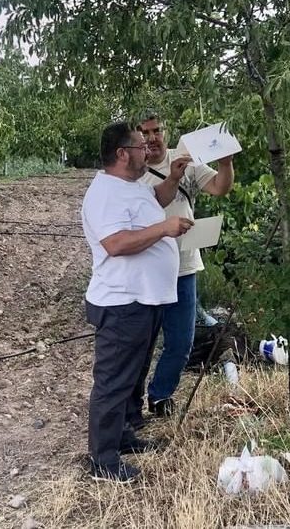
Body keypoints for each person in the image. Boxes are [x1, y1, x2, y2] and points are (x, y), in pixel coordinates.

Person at [81, 121, 193, 483]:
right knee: (113, 380)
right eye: (140, 146)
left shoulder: (132, 186)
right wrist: (165, 228)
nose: (148, 150)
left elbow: (155, 201)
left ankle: (125, 435)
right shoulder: (105, 194)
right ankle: (103, 459)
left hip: (143, 300)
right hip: (122, 303)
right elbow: (116, 244)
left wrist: (173, 180)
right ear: (121, 153)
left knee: (133, 375)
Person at [138, 113, 235, 418]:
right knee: (142, 342)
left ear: (165, 132)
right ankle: (129, 406)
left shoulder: (185, 160)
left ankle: (160, 396)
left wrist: (226, 161)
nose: (151, 138)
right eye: (144, 133)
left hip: (183, 267)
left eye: (156, 131)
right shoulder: (132, 172)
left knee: (181, 341)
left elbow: (220, 188)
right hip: (145, 270)